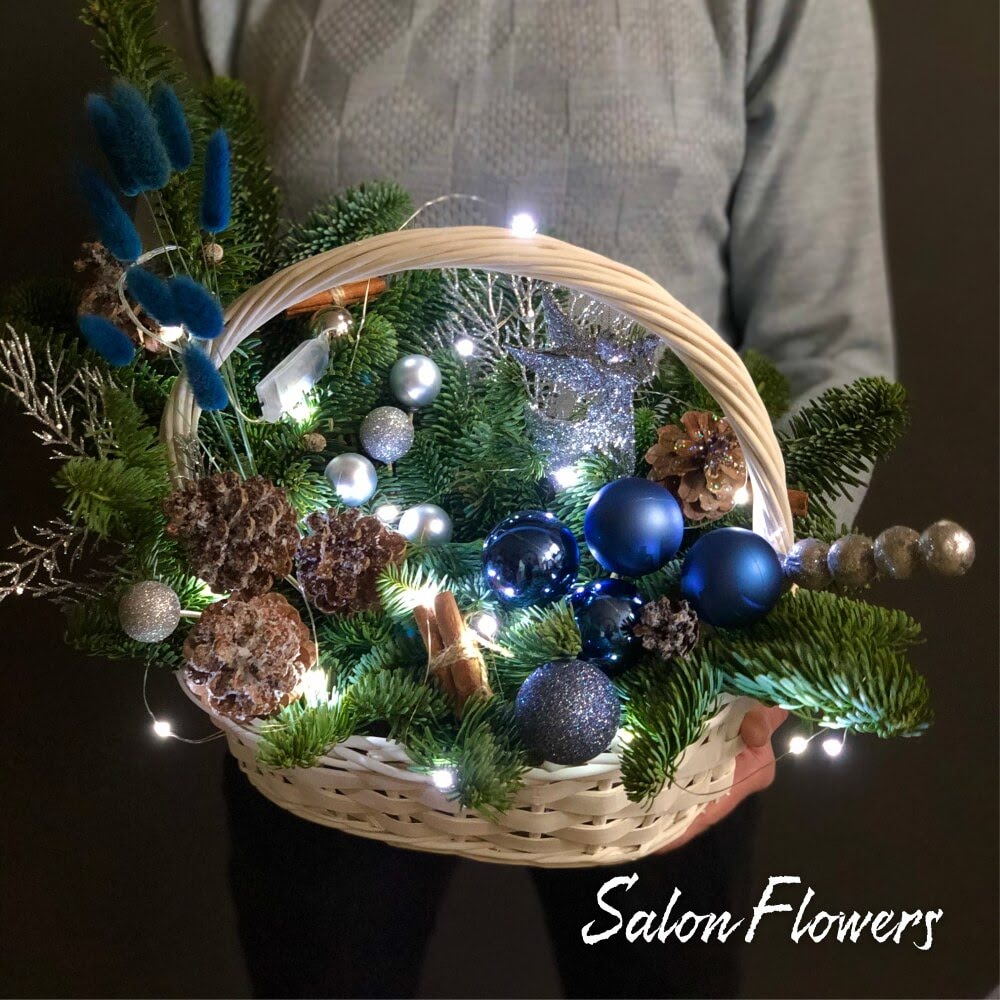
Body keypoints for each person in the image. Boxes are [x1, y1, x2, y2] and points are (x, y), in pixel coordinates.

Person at [165, 2, 894, 996]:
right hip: (321, 653)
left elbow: (827, 342)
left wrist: (770, 618)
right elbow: (181, 286)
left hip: (659, 640)